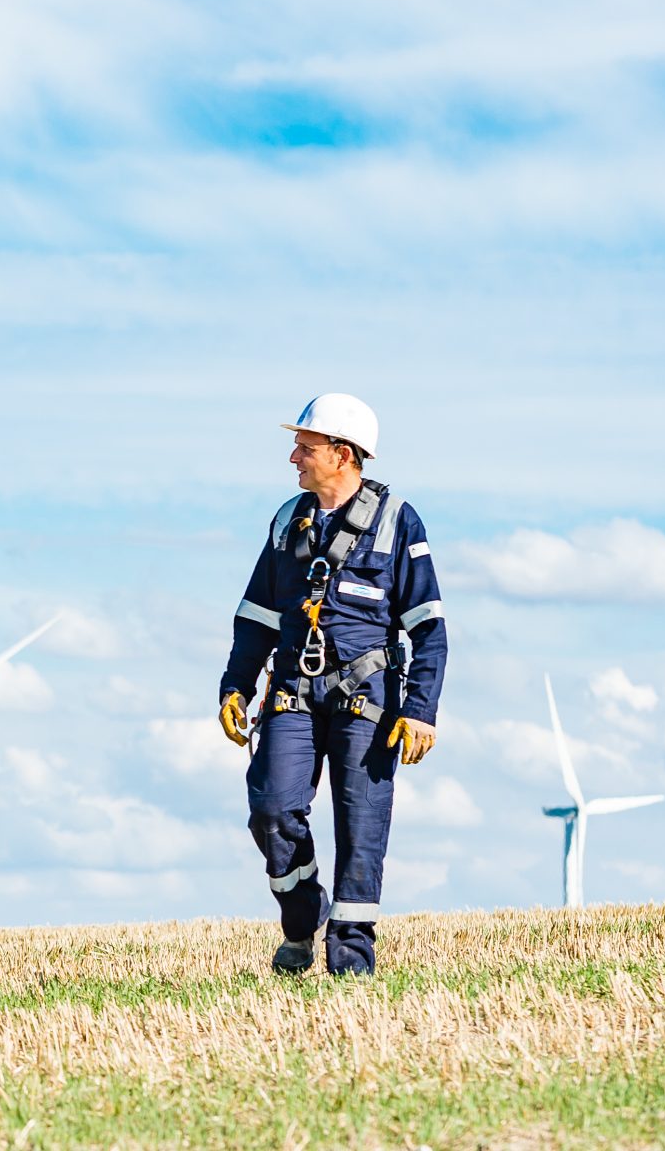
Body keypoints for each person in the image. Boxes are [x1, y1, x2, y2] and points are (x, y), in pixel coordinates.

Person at [217, 393, 447, 976]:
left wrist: (420, 710)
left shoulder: (399, 521)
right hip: (292, 693)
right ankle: (302, 919)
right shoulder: (285, 519)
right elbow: (258, 614)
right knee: (271, 810)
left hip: (367, 702)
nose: (294, 457)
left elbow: (430, 629)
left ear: (342, 455)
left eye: (306, 447)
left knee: (360, 828)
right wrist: (235, 686)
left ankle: (351, 963)